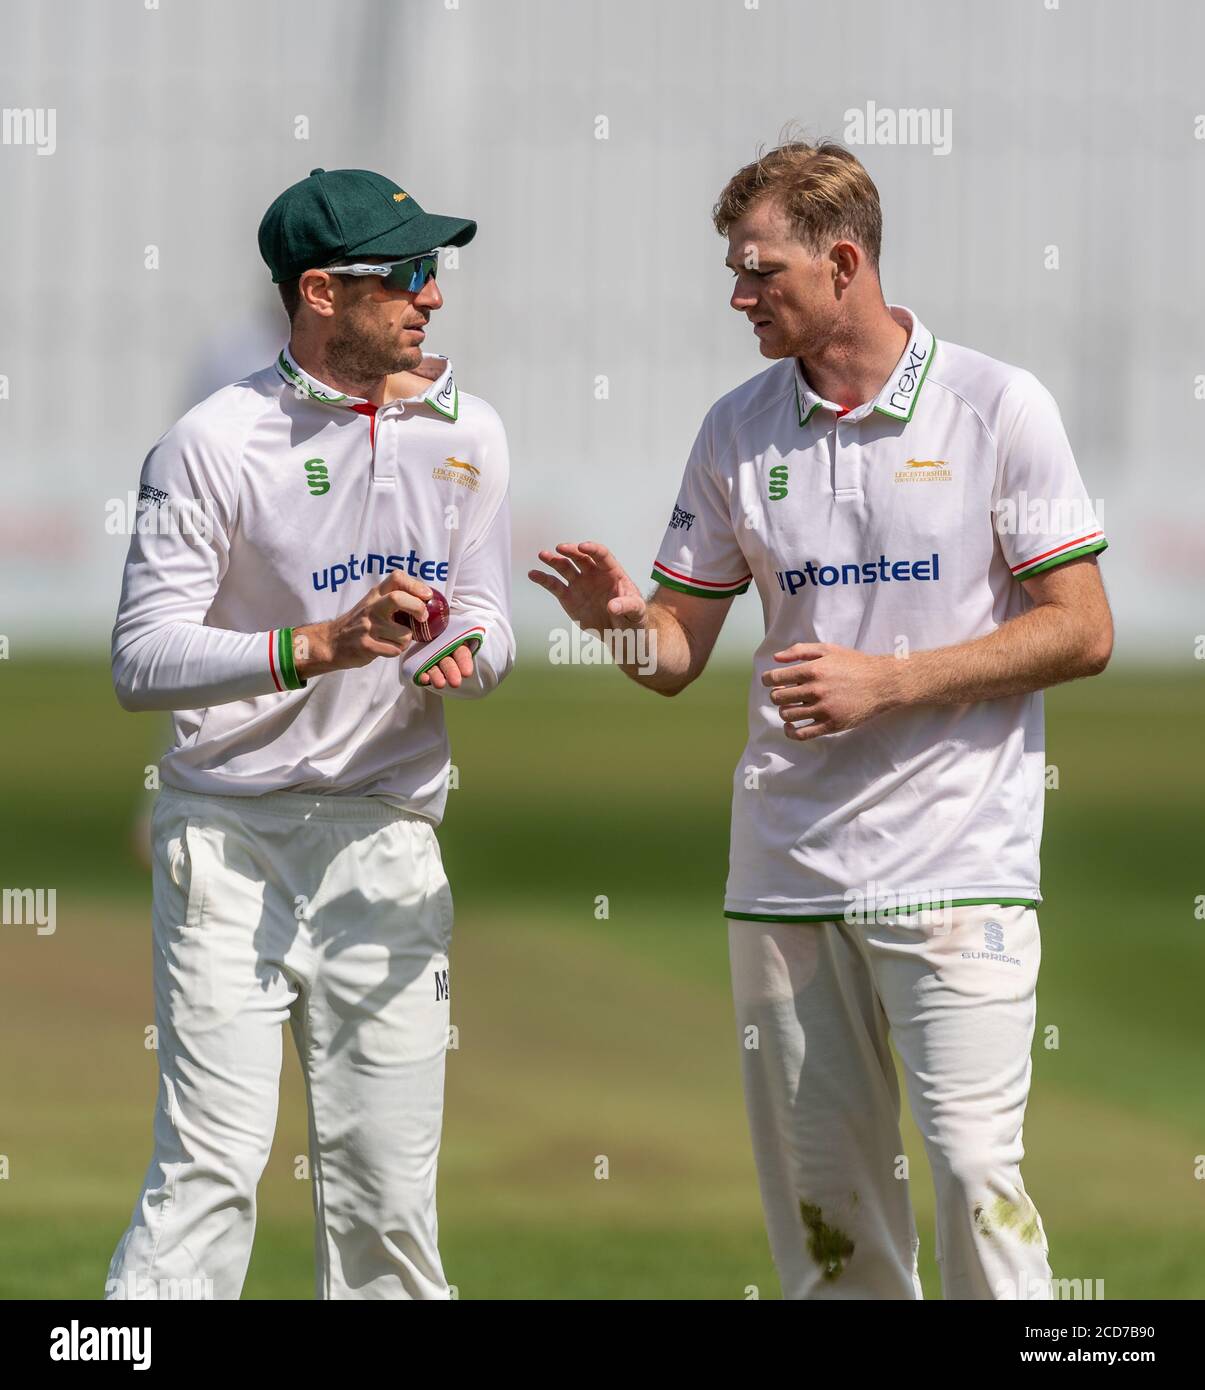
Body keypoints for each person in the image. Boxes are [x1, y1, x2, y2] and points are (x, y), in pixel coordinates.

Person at [529, 140, 1111, 1300]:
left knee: (973, 1181)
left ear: (842, 261)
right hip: (786, 876)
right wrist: (616, 620)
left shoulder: (998, 405)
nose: (737, 295)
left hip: (958, 872)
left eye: (759, 271)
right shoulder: (735, 427)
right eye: (734, 272)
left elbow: (1080, 628)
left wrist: (886, 683)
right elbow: (677, 656)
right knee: (827, 1231)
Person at [107, 167, 514, 1300]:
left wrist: (465, 655)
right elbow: (141, 656)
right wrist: (314, 647)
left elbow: (488, 622)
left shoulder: (466, 430)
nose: (430, 299)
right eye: (405, 278)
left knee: (386, 1197)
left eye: (435, 273)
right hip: (230, 840)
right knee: (208, 1174)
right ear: (321, 291)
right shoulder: (212, 439)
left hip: (387, 838)